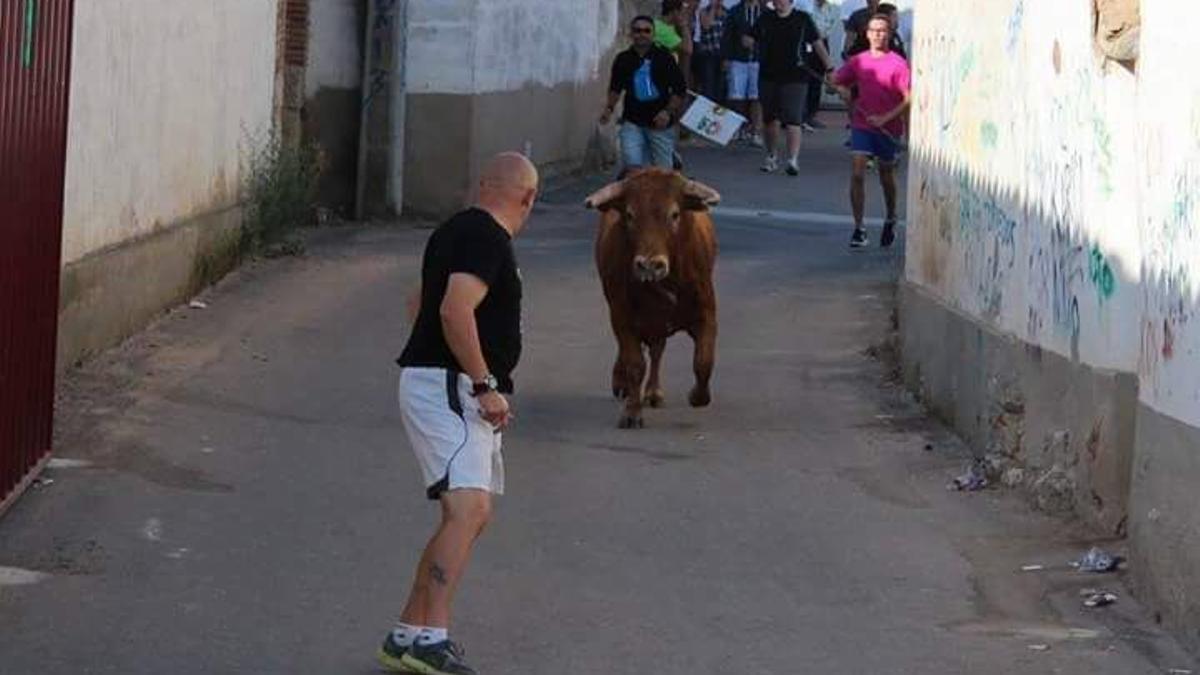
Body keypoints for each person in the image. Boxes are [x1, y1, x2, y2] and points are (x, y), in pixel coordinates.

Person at [378, 152, 539, 675]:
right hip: (452, 387)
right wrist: (483, 383)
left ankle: (407, 632)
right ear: (528, 198)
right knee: (467, 511)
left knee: (468, 513)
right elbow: (451, 309)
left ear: (481, 185)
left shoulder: (457, 231)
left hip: (444, 383)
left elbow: (419, 304)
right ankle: (430, 638)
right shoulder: (487, 238)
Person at [829, 13, 911, 249]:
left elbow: (908, 99)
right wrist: (840, 89)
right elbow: (837, 80)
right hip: (862, 124)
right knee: (857, 171)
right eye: (873, 30)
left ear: (889, 33)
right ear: (867, 34)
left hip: (889, 128)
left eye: (882, 30)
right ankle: (859, 227)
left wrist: (885, 117)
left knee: (886, 176)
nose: (877, 34)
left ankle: (891, 217)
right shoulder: (858, 61)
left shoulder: (898, 63)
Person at [747, 0, 833, 175]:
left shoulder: (802, 19)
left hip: (796, 76)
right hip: (768, 76)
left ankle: (793, 160)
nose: (777, 2)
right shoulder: (765, 18)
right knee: (770, 119)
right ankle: (771, 156)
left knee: (793, 118)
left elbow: (817, 44)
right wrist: (746, 40)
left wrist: (830, 68)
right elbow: (749, 38)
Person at [602, 15, 688, 170]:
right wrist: (609, 109)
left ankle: (670, 158)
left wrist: (667, 112)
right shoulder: (623, 59)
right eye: (637, 30)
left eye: (646, 31)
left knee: (663, 174)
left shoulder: (665, 58)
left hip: (660, 124)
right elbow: (615, 87)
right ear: (631, 34)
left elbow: (679, 89)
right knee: (632, 168)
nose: (641, 34)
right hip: (632, 121)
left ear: (653, 34)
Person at [722, 0, 765, 146]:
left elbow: (771, 36)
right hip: (737, 59)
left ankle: (756, 132)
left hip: (759, 60)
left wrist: (756, 42)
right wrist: (726, 57)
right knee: (736, 96)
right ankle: (737, 128)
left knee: (756, 97)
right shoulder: (735, 11)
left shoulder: (765, 11)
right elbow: (727, 34)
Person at [802, 0, 841, 130]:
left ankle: (811, 115)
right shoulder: (806, 5)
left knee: (818, 80)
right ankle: (800, 115)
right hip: (806, 43)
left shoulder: (831, 8)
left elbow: (828, 27)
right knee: (804, 78)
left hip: (822, 42)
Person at [692, 0, 727, 103]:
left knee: (721, 88)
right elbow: (706, 25)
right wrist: (712, 8)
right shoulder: (703, 11)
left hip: (722, 55)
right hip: (708, 55)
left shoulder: (728, 12)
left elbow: (728, 36)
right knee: (708, 88)